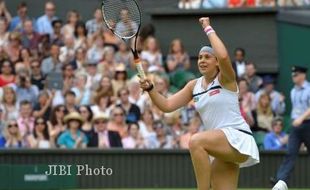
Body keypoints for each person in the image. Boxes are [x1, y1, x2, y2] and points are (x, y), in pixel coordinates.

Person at [139, 17, 259, 190]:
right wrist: (151, 89)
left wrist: (208, 28)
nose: (202, 60)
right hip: (221, 147)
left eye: (207, 57)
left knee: (196, 141)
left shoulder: (225, 79)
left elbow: (224, 56)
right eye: (200, 57)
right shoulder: (193, 85)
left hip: (237, 138)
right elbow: (166, 105)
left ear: (216, 62)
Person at [272, 66, 310, 190]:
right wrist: (295, 120)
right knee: (290, 153)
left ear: (303, 75)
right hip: (296, 126)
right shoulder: (293, 91)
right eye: (293, 75)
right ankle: (281, 182)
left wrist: (301, 118)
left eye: (296, 75)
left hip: (308, 125)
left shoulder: (309, 89)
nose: (293, 77)